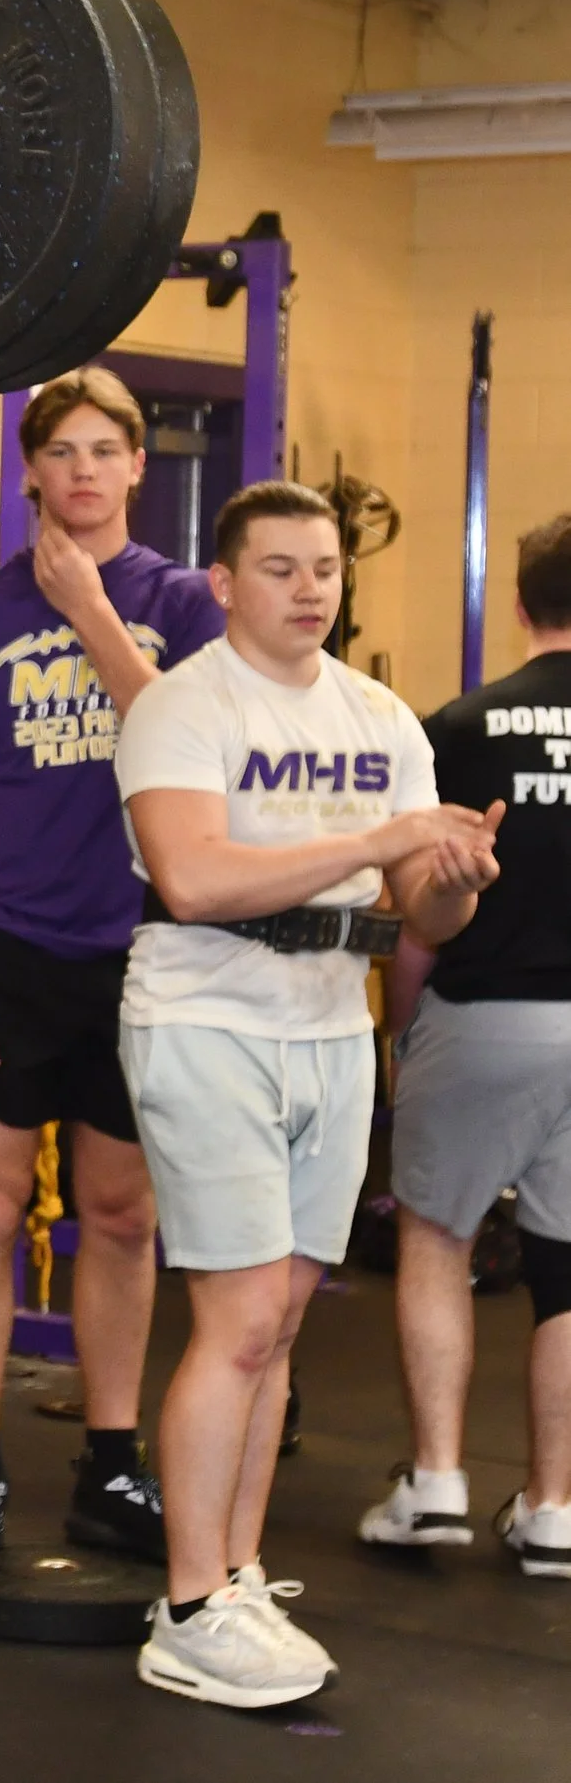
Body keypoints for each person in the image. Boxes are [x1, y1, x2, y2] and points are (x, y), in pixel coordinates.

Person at [118, 480, 498, 1706]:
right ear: (223, 584)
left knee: (280, 1324)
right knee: (235, 1323)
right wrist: (378, 844)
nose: (308, 589)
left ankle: (232, 1575)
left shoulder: (379, 716)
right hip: (204, 1017)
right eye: (279, 569)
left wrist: (454, 875)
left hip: (332, 1023)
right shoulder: (183, 705)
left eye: (324, 569)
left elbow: (421, 915)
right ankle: (187, 1609)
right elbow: (191, 877)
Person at [0, 367, 223, 1577]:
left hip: (142, 948)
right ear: (30, 471)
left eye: (104, 450)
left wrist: (91, 613)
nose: (83, 471)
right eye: (61, 452)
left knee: (122, 1215)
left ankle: (109, 1460)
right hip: (8, 950)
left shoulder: (182, 605)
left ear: (138, 465)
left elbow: (191, 746)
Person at [363, 512, 571, 1577]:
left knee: (437, 1238)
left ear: (522, 602)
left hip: (482, 1015)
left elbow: (417, 907)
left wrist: (401, 1032)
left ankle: (436, 1482)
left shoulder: (454, 725)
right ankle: (556, 1509)